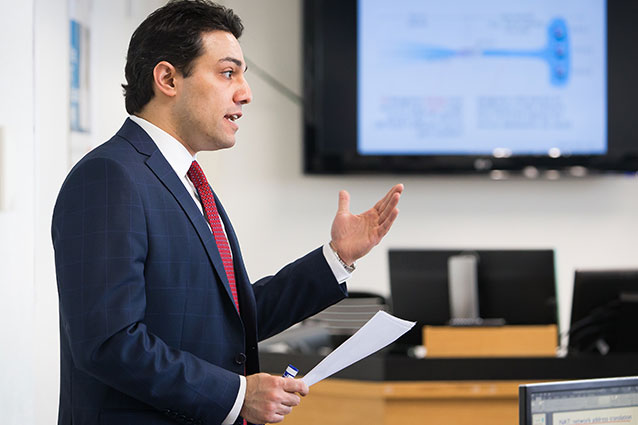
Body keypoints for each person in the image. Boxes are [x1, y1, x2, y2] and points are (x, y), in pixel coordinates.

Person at [51, 1, 403, 424]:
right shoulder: (109, 177)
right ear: (167, 79)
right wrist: (238, 395)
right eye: (227, 72)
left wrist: (337, 258)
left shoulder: (185, 179)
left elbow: (229, 317)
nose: (246, 93)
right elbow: (109, 342)